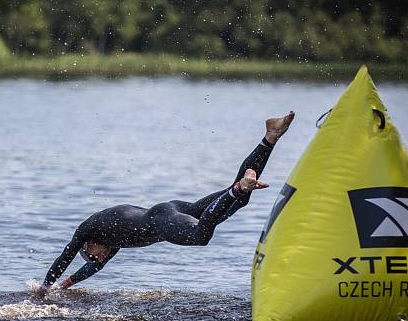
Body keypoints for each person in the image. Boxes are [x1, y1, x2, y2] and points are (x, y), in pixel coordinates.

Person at [42, 112, 295, 290]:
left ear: (89, 246)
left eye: (92, 256)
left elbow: (64, 257)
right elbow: (94, 269)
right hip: (172, 210)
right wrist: (67, 285)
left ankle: (239, 187)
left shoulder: (90, 229)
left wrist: (44, 289)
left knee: (201, 235)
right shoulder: (110, 242)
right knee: (240, 202)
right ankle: (270, 137)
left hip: (163, 220)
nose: (99, 260)